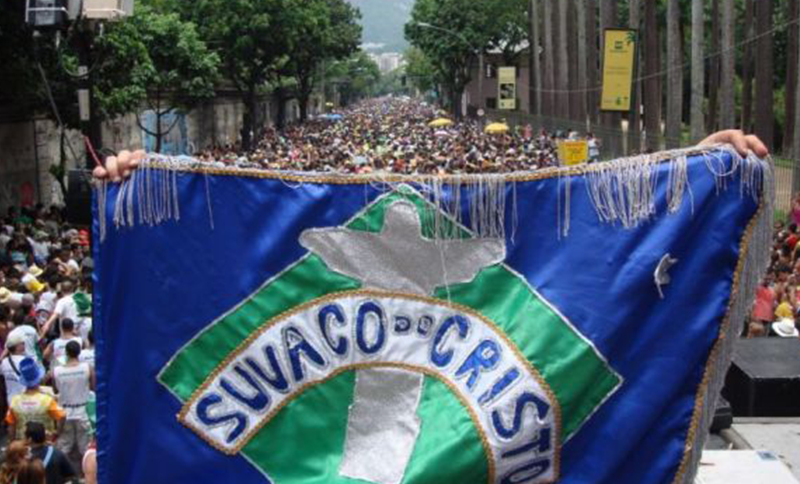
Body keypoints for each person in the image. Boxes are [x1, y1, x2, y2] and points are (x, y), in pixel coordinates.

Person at [53, 341, 93, 470]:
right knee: (85, 445)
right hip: (83, 410)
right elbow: (93, 387)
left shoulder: (57, 370)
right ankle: (86, 473)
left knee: (65, 444)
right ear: (79, 352)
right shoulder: (87, 367)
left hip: (64, 411)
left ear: (66, 353)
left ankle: (64, 472)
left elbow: (55, 389)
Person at [6, 357, 65, 442]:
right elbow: (62, 416)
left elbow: (11, 426)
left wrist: (12, 442)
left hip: (23, 446)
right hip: (44, 444)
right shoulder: (47, 400)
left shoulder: (14, 401)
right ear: (38, 378)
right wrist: (57, 433)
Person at [2, 332, 29, 406]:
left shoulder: (4, 362)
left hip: (10, 401)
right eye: (22, 343)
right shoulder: (25, 361)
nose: (24, 345)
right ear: (17, 347)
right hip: (25, 400)